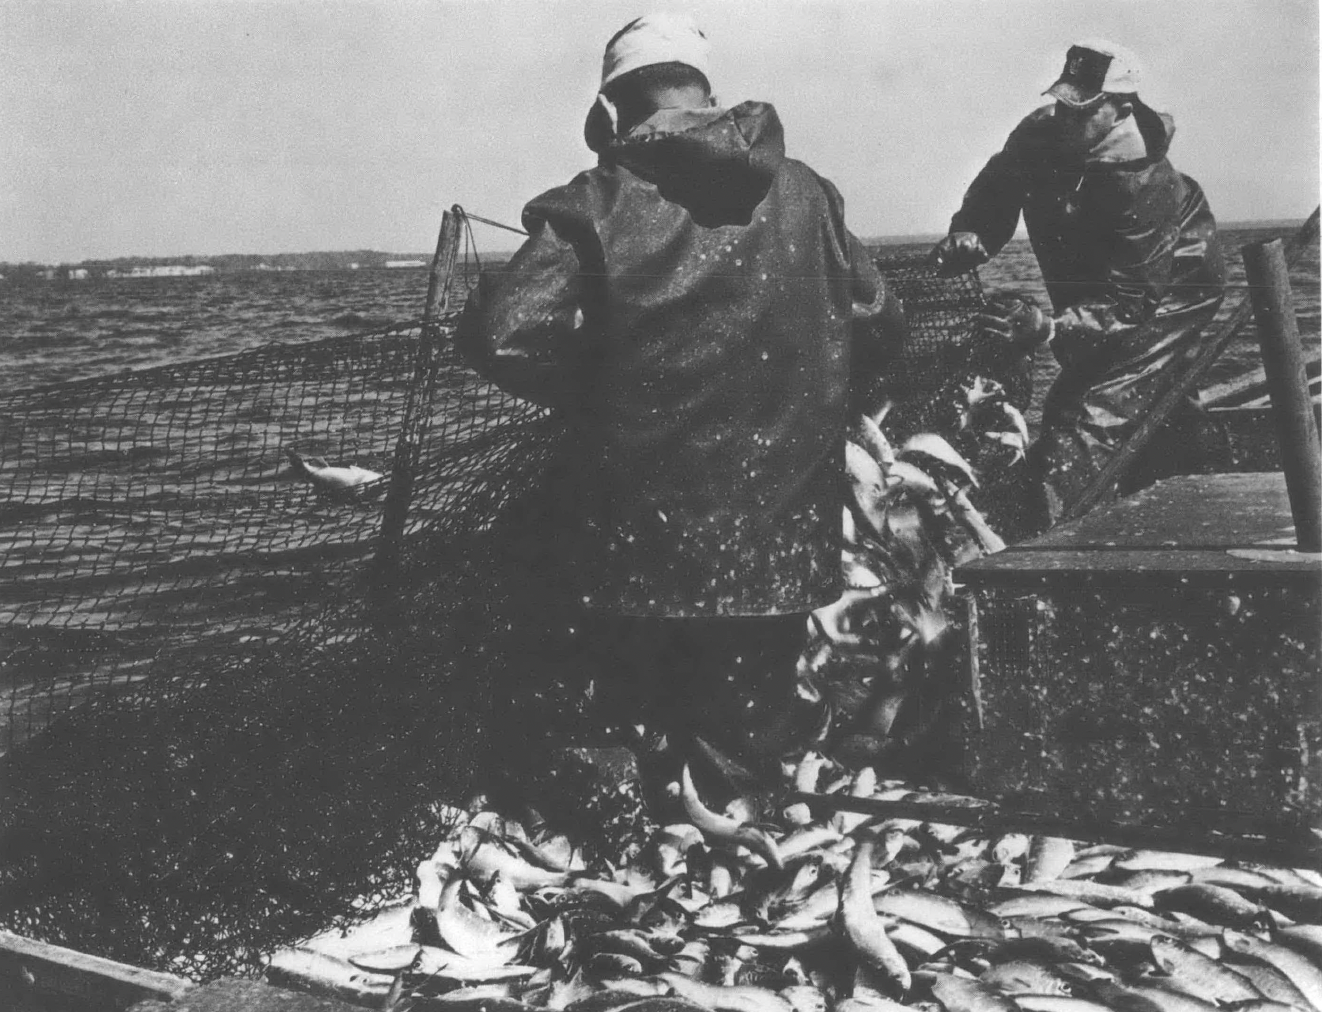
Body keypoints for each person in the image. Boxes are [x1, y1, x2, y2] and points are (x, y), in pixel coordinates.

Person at [455, 13, 904, 795]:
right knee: (749, 748)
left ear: (606, 113)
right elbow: (880, 322)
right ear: (711, 98)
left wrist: (610, 387)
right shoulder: (806, 192)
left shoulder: (595, 202)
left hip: (637, 545)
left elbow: (507, 338)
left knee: (638, 732)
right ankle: (744, 810)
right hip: (781, 541)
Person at [930, 39, 1226, 528]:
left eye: (1081, 110)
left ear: (1119, 109)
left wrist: (1046, 328)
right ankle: (1192, 472)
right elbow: (1000, 183)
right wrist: (973, 231)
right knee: (1128, 376)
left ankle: (1052, 551)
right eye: (1062, 104)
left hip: (1174, 283)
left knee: (1090, 404)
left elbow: (1132, 306)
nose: (1064, 118)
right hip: (1096, 275)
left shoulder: (1145, 181)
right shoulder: (1039, 132)